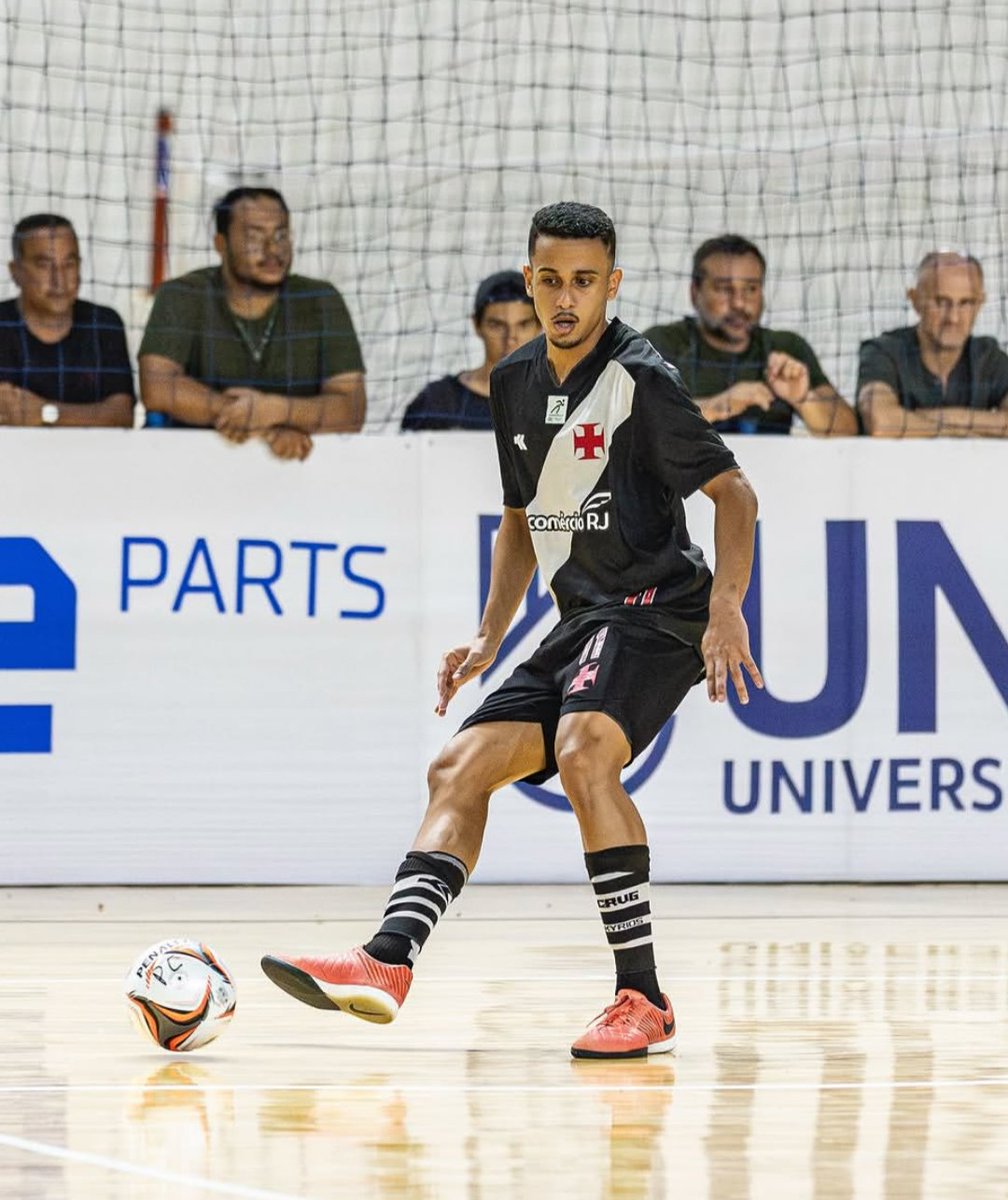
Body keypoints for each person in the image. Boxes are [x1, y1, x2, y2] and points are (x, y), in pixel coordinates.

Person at [262, 202, 763, 1059]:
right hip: (584, 619)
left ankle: (642, 998)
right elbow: (522, 520)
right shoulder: (515, 381)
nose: (566, 298)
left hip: (660, 609)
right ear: (530, 281)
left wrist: (726, 612)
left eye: (584, 282)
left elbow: (735, 494)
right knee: (456, 766)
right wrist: (491, 636)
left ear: (612, 285)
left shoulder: (640, 380)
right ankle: (388, 959)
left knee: (584, 750)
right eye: (551, 280)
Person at [139, 186, 366, 460]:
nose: (273, 250)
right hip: (190, 467)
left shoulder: (320, 300)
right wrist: (263, 425)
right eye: (254, 238)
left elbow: (351, 408)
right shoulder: (184, 294)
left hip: (298, 473)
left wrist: (277, 410)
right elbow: (157, 387)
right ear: (221, 244)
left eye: (281, 235)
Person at [644, 235, 857, 436]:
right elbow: (634, 423)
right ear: (695, 292)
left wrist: (803, 398)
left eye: (751, 289)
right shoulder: (661, 345)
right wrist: (718, 406)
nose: (739, 303)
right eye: (724, 289)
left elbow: (848, 431)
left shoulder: (786, 347)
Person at [0, 214, 135, 427]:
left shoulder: (102, 324)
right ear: (15, 271)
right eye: (44, 265)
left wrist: (44, 413)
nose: (59, 280)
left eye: (69, 264)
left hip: (90, 449)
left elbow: (122, 415)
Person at [857, 251, 1008, 437]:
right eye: (941, 302)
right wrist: (974, 429)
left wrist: (932, 418)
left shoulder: (987, 357)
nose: (953, 318)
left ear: (980, 304)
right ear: (915, 300)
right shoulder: (884, 352)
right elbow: (881, 423)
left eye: (966, 303)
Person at [400, 270, 540, 430]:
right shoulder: (437, 403)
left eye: (523, 325)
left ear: (540, 326)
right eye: (497, 325)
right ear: (477, 325)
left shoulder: (554, 400)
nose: (510, 338)